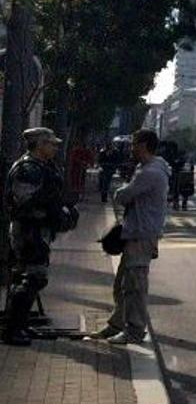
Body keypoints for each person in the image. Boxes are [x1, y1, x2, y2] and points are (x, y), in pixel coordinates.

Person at [91, 129, 169, 345]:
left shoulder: (150, 172)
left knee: (135, 285)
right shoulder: (145, 168)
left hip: (142, 234)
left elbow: (124, 195)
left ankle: (134, 331)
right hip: (136, 232)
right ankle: (117, 324)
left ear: (144, 145)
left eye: (134, 143)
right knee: (122, 284)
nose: (131, 147)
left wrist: (120, 193)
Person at [3, 128, 75, 346]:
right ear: (39, 145)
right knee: (32, 277)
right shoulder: (27, 169)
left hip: (38, 229)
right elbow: (25, 202)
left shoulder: (42, 167)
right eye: (51, 143)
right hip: (28, 230)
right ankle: (12, 330)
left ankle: (19, 325)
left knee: (29, 277)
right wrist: (53, 208)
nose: (54, 147)